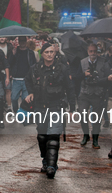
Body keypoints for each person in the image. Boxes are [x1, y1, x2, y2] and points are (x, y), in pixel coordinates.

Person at [24, 42, 76, 178]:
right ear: (42, 53)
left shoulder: (62, 69)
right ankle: (46, 160)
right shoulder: (35, 68)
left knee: (53, 136)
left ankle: (52, 166)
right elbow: (27, 80)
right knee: (42, 136)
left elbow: (70, 88)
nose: (49, 54)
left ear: (55, 53)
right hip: (40, 106)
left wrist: (72, 108)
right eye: (46, 52)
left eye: (51, 52)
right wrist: (30, 92)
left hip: (56, 105)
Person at [77, 43, 111, 149]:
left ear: (97, 52)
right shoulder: (82, 62)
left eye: (95, 51)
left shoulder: (103, 62)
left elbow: (107, 78)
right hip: (85, 92)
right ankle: (86, 135)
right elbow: (76, 77)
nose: (93, 53)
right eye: (91, 51)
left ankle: (95, 139)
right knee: (82, 113)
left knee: (96, 118)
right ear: (88, 52)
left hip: (98, 93)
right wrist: (84, 75)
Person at [9, 36, 36, 115]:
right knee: (13, 98)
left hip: (26, 79)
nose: (22, 42)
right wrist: (13, 55)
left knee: (25, 99)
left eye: (24, 41)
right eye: (21, 41)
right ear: (19, 42)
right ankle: (16, 111)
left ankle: (22, 113)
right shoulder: (15, 51)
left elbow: (34, 65)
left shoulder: (30, 52)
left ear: (26, 41)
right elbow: (9, 63)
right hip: (16, 79)